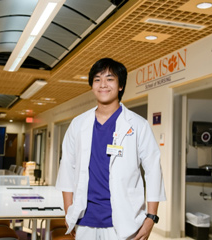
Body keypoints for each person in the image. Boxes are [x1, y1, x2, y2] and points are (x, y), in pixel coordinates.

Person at [56, 58, 166, 240]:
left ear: (121, 85)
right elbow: (67, 167)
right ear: (92, 85)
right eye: (97, 79)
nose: (103, 85)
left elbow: (153, 171)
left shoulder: (138, 125)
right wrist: (69, 210)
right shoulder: (78, 124)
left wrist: (151, 218)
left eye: (110, 79)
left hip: (125, 222)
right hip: (85, 220)